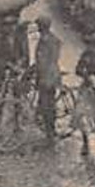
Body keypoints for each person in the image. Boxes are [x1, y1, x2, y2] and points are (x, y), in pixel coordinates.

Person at [32, 15, 63, 144]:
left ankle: (50, 133)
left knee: (47, 106)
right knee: (48, 104)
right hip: (49, 76)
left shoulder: (47, 41)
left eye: (39, 26)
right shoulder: (50, 39)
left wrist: (37, 72)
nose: (38, 29)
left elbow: (46, 62)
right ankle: (50, 131)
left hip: (48, 77)